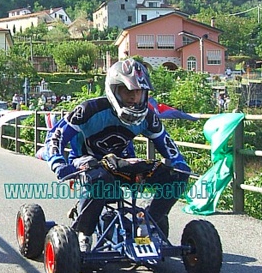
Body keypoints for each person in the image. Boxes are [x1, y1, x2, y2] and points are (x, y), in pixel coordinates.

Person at [42, 58, 190, 252]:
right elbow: (56, 136)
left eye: (138, 92)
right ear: (114, 90)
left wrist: (178, 164)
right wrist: (58, 163)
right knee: (100, 177)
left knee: (178, 175)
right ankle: (83, 234)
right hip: (85, 163)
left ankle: (149, 223)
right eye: (127, 91)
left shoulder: (148, 117)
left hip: (122, 164)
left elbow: (169, 148)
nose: (133, 97)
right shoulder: (89, 110)